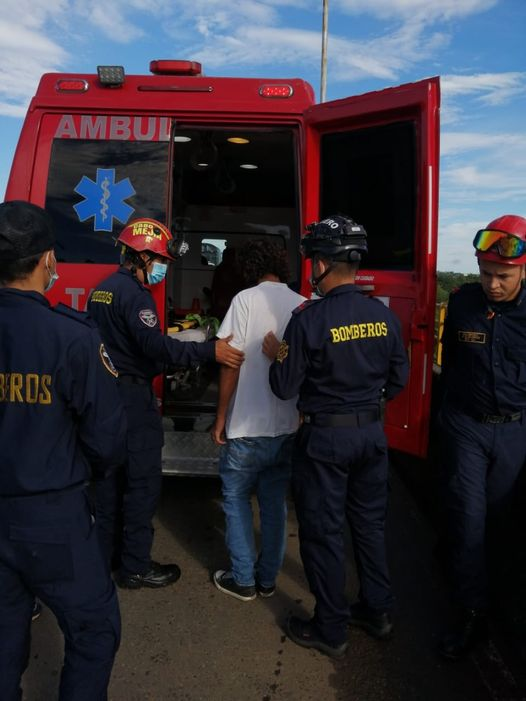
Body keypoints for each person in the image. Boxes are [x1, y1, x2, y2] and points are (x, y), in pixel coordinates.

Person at [264, 215, 409, 658]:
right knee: (368, 526)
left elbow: (284, 387)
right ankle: (377, 612)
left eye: (312, 260)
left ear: (323, 264)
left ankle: (330, 628)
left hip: (325, 442)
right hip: (370, 436)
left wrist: (277, 355)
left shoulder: (308, 319)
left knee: (323, 533)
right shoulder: (381, 316)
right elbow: (399, 380)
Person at [0, 200, 127, 700]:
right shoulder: (73, 339)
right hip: (51, 516)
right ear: (48, 260)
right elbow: (108, 441)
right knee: (95, 632)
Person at [88, 218, 244, 590]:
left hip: (105, 397)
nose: (161, 269)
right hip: (132, 400)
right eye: (159, 261)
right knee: (141, 486)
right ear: (140, 255)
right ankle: (136, 567)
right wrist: (209, 350)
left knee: (108, 488)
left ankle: (104, 562)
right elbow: (154, 347)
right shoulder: (135, 295)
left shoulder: (102, 290)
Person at [437, 215, 526, 660]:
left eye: (503, 276)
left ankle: (502, 605)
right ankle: (470, 613)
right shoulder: (462, 302)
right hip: (466, 426)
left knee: (502, 522)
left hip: (514, 431)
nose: (493, 284)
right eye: (486, 274)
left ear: (523, 270)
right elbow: (450, 363)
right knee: (469, 522)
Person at [210, 240, 306, 601]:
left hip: (247, 428)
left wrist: (220, 417)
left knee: (235, 499)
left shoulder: (244, 301)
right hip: (286, 426)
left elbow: (230, 363)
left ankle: (243, 579)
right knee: (274, 504)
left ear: (250, 268)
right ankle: (267, 580)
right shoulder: (302, 305)